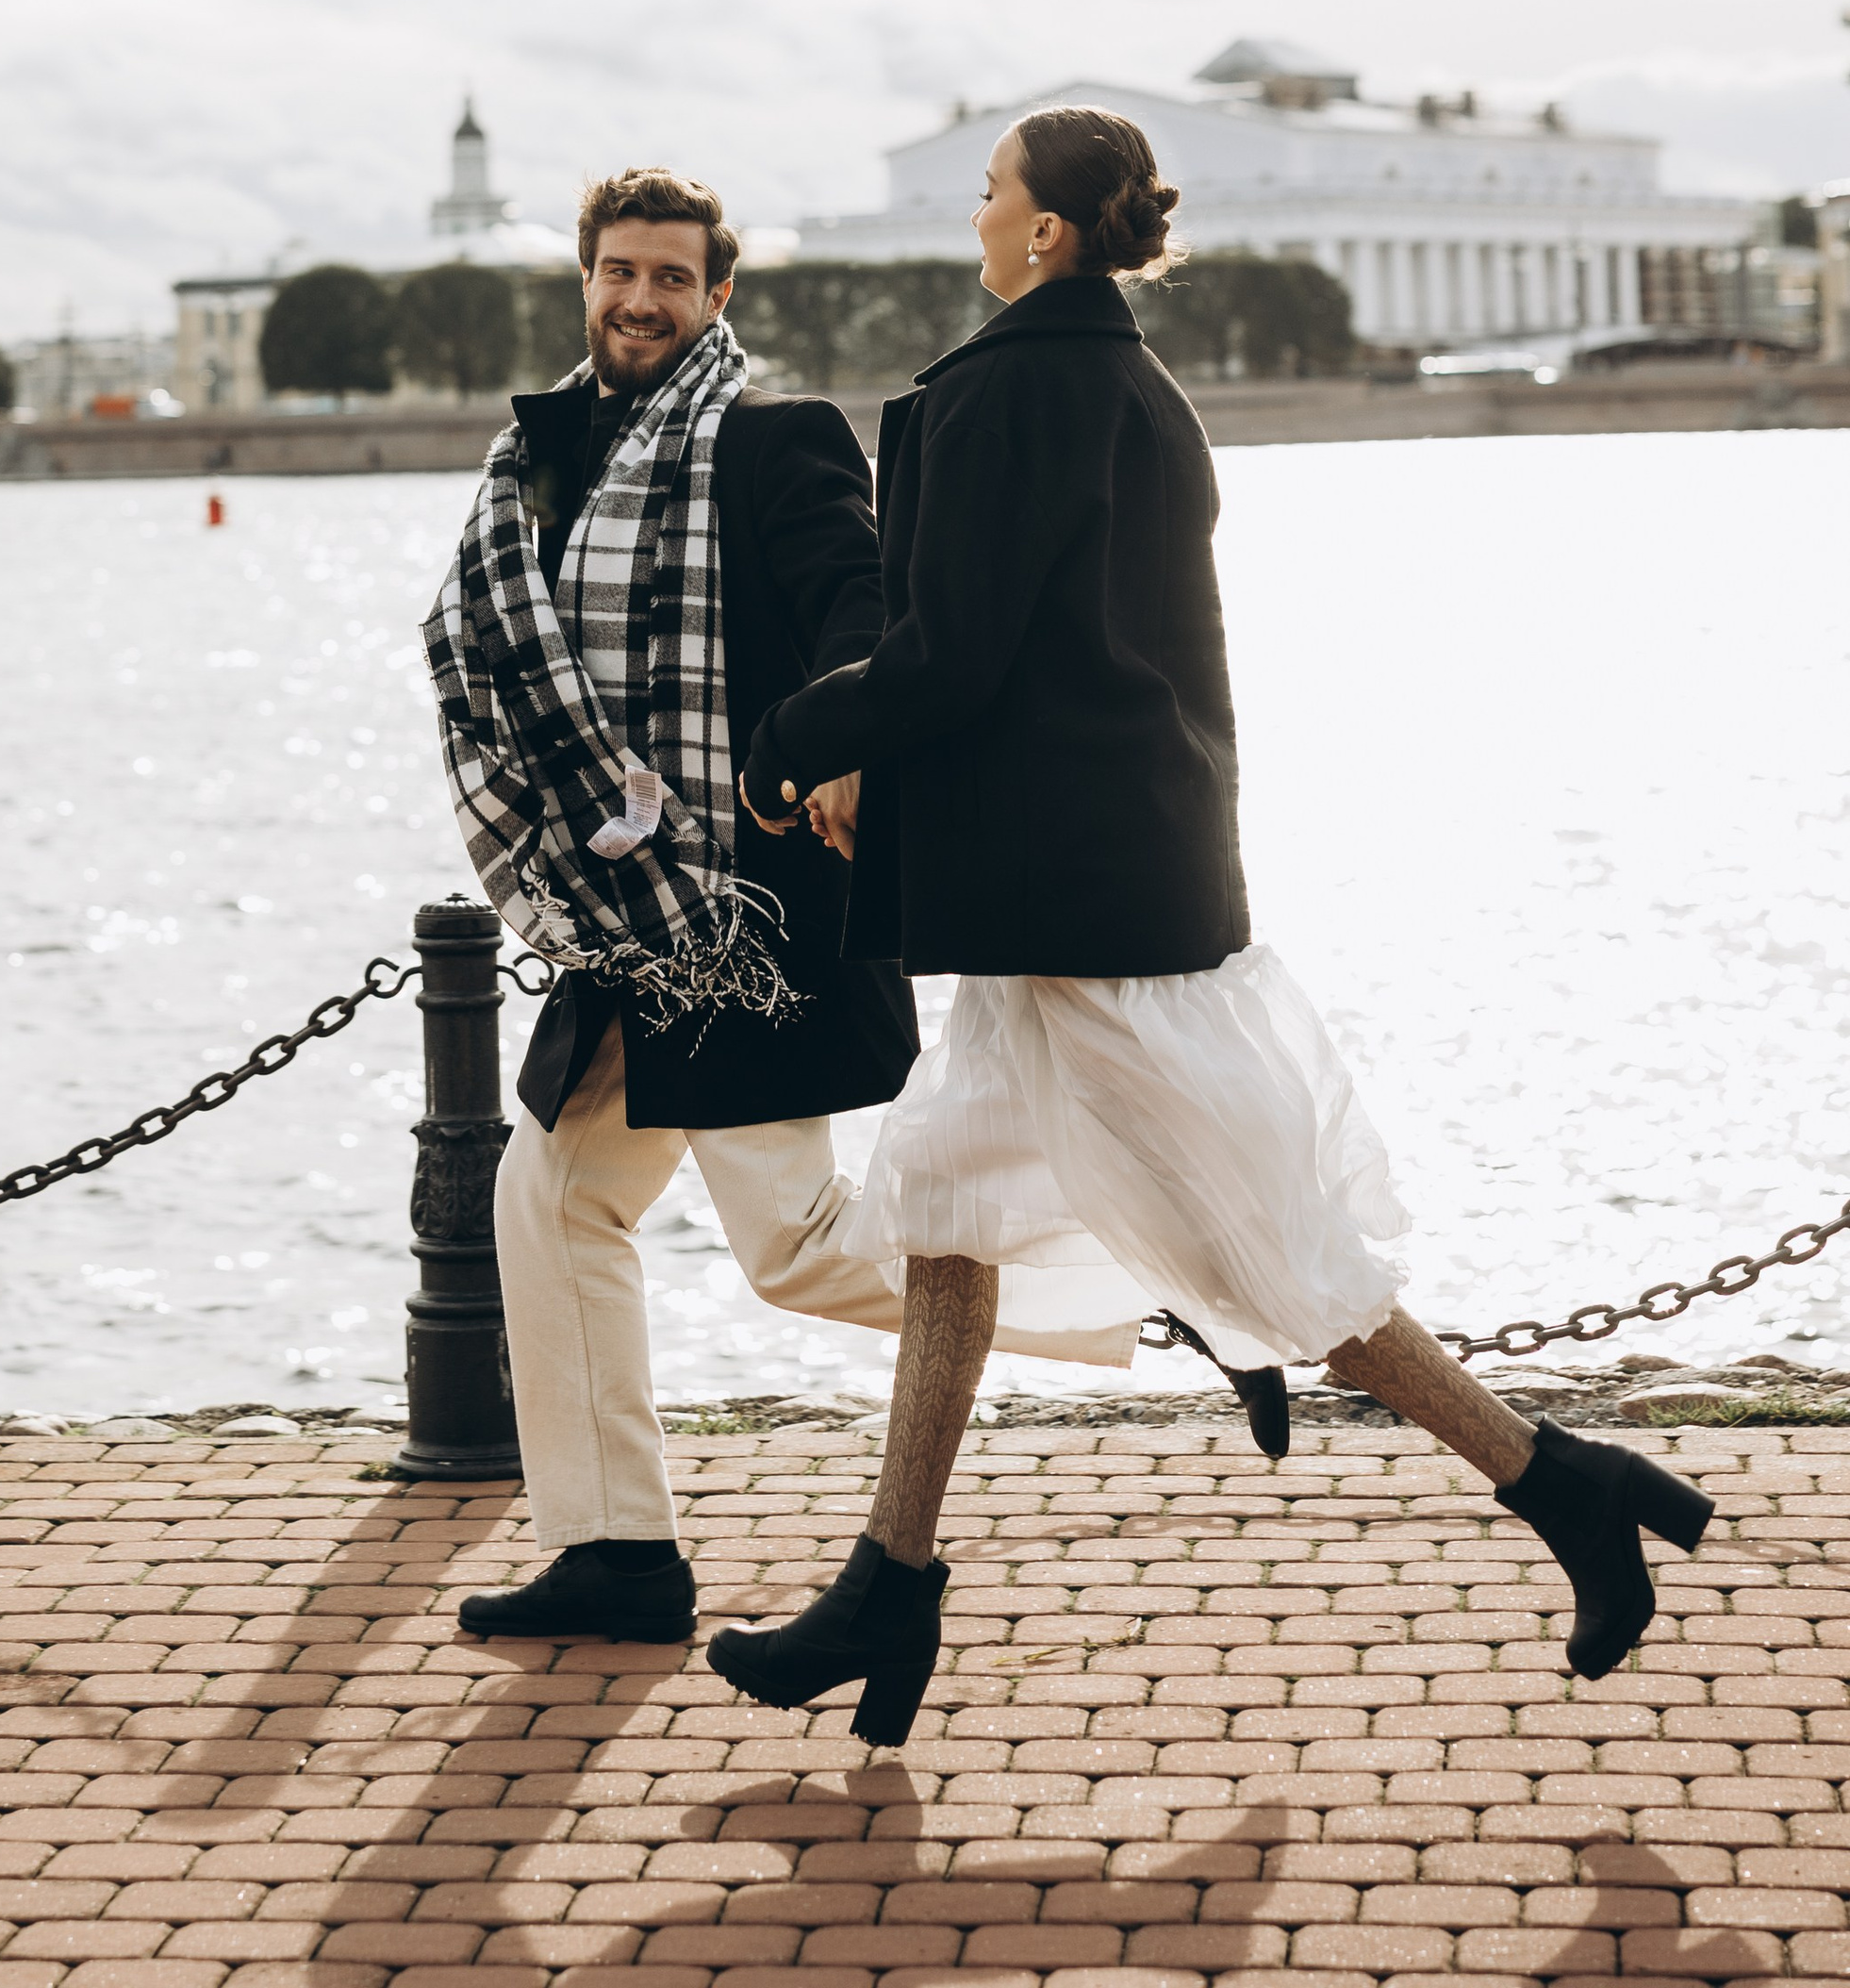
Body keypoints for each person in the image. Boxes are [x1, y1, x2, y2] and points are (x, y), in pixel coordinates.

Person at [708, 103, 1712, 1748]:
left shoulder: (1013, 392)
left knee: (1281, 1258)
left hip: (1082, 902)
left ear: (1043, 233)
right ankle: (887, 1585)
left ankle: (1560, 1482)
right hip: (1099, 875)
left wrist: (793, 738)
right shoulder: (1138, 389)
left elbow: (950, 657)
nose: (973, 213)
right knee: (947, 1210)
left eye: (989, 194)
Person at [422, 166, 925, 1644]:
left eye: (672, 276)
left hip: (747, 910)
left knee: (800, 1249)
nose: (641, 298)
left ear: (720, 296)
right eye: (617, 271)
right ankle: (617, 1553)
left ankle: (1135, 1305)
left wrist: (835, 732)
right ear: (584, 278)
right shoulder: (541, 456)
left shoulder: (773, 438)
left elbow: (859, 597)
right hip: (618, 904)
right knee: (555, 1197)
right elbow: (495, 648)